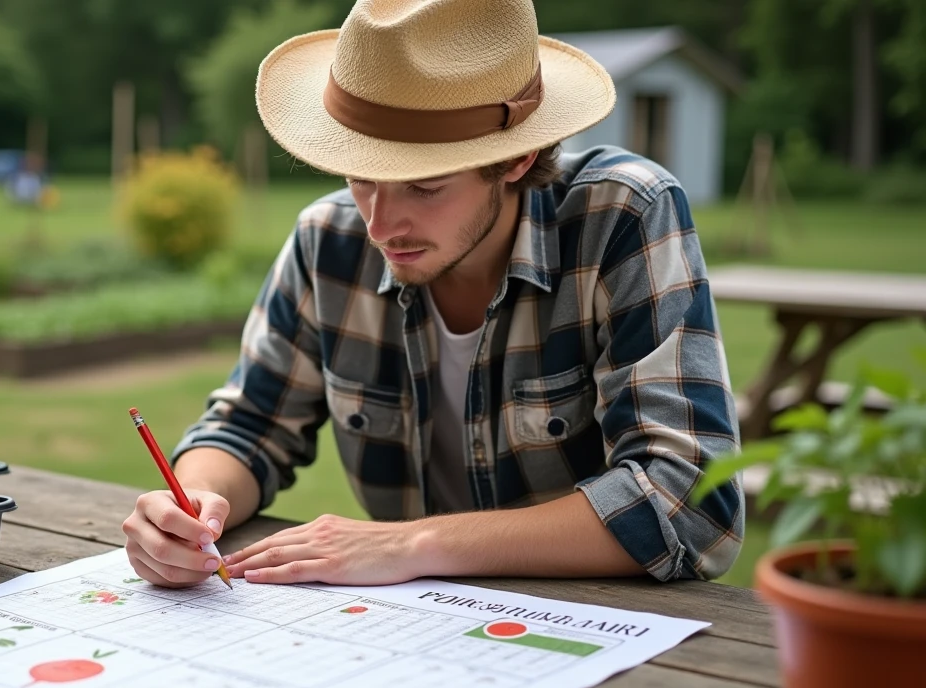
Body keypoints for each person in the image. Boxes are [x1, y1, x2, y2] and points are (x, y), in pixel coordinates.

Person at [122, 0, 744, 589]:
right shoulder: (328, 239)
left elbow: (692, 501)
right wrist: (194, 503)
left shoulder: (621, 215)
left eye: (424, 187)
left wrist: (414, 545)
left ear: (518, 157)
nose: (378, 224)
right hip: (411, 647)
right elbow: (251, 426)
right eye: (361, 174)